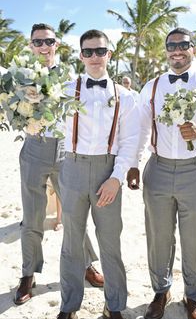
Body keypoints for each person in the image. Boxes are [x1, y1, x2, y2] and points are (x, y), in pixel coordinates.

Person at [127, 27, 196, 319]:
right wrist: (134, 163)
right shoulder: (151, 86)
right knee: (158, 235)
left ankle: (194, 297)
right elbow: (140, 128)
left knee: (194, 237)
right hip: (157, 169)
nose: (177, 50)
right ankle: (161, 292)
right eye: (171, 45)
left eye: (183, 45)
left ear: (193, 48)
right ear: (166, 51)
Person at [14, 23, 104, 306]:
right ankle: (28, 274)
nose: (43, 47)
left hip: (67, 152)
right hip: (33, 150)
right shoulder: (20, 79)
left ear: (57, 45)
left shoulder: (72, 79)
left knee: (75, 217)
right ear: (31, 45)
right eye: (38, 42)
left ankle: (87, 264)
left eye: (48, 42)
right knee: (32, 217)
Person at [56, 29, 139, 319]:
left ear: (109, 54)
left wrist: (117, 178)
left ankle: (114, 305)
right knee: (71, 243)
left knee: (110, 242)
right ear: (81, 55)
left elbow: (129, 142)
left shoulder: (125, 97)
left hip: (108, 170)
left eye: (100, 51)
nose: (94, 57)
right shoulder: (64, 90)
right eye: (88, 51)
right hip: (73, 168)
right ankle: (69, 306)